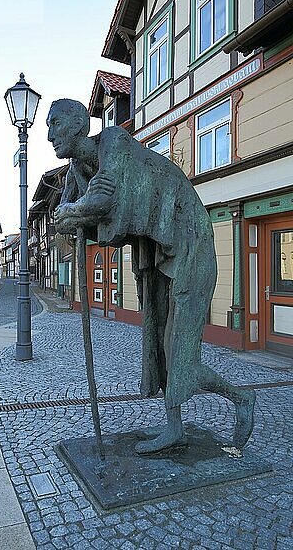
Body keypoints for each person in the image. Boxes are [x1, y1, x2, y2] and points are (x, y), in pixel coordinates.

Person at [47, 98, 255, 454]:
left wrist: (74, 213)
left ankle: (242, 398)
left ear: (80, 124)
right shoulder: (75, 173)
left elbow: (100, 202)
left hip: (189, 241)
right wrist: (72, 215)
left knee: (181, 356)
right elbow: (65, 220)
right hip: (156, 250)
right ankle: (174, 428)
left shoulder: (113, 141)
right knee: (160, 340)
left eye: (55, 124)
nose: (49, 135)